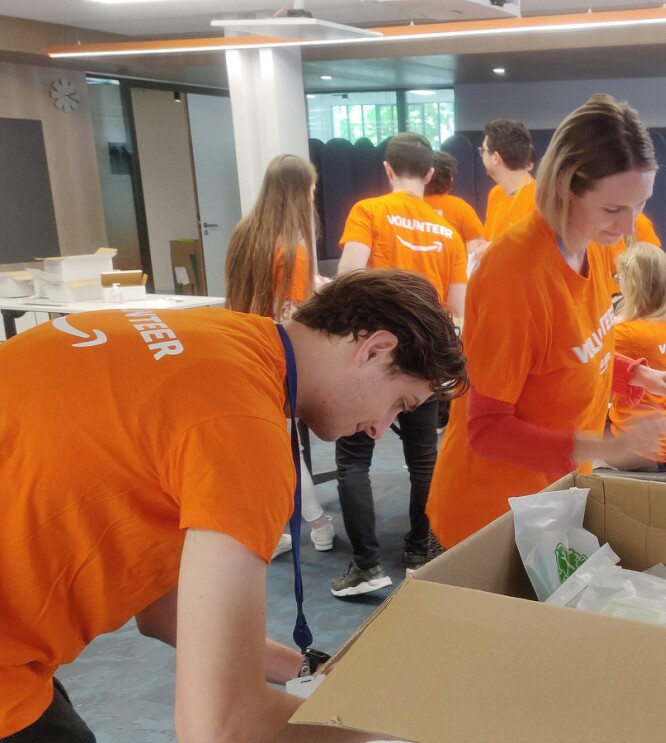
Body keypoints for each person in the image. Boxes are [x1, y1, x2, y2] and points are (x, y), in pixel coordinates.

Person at [0, 269, 465, 742]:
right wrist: (395, 731)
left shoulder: (218, 335)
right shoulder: (243, 429)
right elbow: (220, 726)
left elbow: (163, 612)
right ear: (375, 349)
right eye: (400, 404)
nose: (381, 428)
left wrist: (313, 669)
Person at [428, 94, 666, 548]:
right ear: (566, 186)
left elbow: (574, 350)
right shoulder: (513, 272)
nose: (629, 224)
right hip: (487, 518)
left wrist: (639, 374)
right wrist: (606, 448)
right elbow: (486, 429)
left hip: (549, 500)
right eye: (614, 208)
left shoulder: (596, 243)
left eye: (641, 204)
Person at [333, 132, 467, 596]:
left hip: (375, 357)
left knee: (354, 460)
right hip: (425, 359)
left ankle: (366, 565)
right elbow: (456, 309)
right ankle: (418, 551)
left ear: (388, 170)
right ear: (430, 174)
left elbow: (347, 278)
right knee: (423, 459)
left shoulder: (368, 212)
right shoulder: (448, 230)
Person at [224, 153, 336, 558]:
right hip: (277, 355)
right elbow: (293, 315)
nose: (313, 197)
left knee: (263, 448)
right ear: (299, 192)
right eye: (310, 189)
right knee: (287, 450)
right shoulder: (294, 249)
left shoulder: (245, 233)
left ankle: (273, 530)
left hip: (240, 346)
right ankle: (318, 522)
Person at [604, 241, 666, 471]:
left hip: (640, 449)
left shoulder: (626, 333)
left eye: (620, 280)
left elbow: (591, 369)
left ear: (632, 286)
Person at [476, 118, 537, 260]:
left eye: (483, 151)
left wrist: (497, 247)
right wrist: (480, 245)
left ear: (495, 157)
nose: (482, 155)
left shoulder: (540, 198)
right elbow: (490, 238)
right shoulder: (495, 194)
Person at [424, 150, 486, 256]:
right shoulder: (461, 208)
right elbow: (478, 245)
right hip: (453, 269)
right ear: (450, 178)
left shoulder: (410, 204)